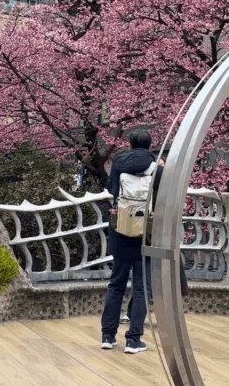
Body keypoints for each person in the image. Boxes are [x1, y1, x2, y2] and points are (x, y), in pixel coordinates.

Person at [99, 129, 162, 355]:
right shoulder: (157, 168)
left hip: (120, 229)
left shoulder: (118, 163)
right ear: (149, 145)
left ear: (130, 143)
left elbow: (111, 190)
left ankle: (108, 335)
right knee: (141, 287)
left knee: (116, 284)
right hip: (145, 233)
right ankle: (134, 340)